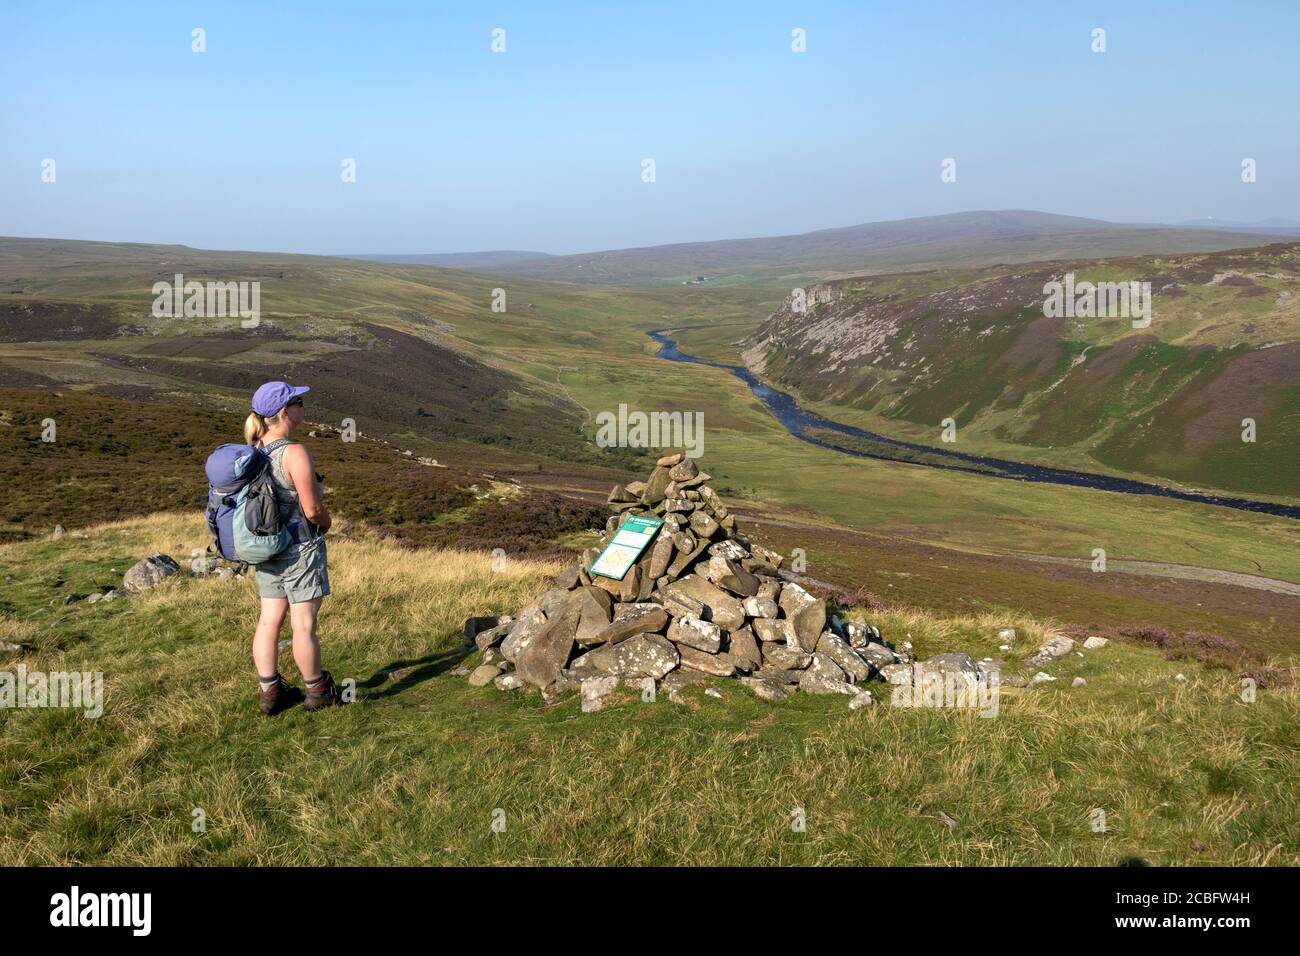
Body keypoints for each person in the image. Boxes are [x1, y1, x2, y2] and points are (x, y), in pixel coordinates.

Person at [243, 381, 344, 715]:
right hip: (301, 548)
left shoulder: (252, 451)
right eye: (299, 401)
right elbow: (312, 508)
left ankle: (269, 693)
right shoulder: (294, 452)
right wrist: (326, 525)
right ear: (285, 411)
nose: (304, 406)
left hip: (267, 548)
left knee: (269, 621)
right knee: (303, 625)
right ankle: (318, 691)